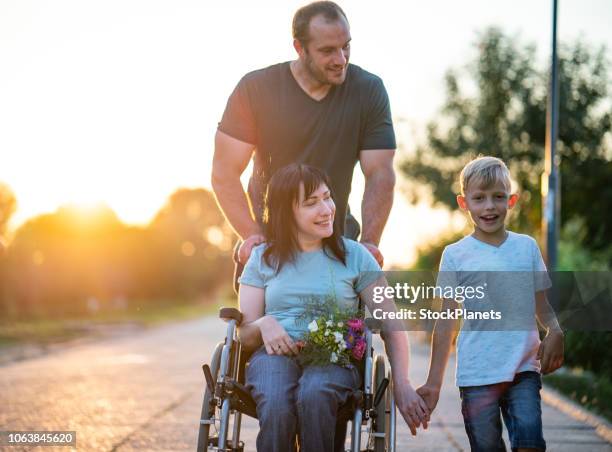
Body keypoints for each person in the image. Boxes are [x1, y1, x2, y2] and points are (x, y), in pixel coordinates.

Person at [237, 164, 429, 452]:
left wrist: (401, 383)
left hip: (335, 356)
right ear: (286, 213)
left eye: (327, 197)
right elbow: (244, 334)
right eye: (312, 203)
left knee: (315, 394)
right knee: (276, 402)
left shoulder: (355, 256)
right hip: (273, 356)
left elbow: (390, 323)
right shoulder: (262, 258)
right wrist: (264, 324)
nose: (326, 209)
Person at [211, 1, 396, 292]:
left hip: (336, 240)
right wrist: (252, 234)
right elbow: (224, 172)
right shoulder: (256, 89)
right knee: (258, 334)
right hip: (270, 242)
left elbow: (380, 173)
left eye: (346, 46)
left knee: (348, 336)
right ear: (299, 48)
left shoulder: (368, 90)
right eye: (327, 51)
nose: (341, 59)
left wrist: (370, 243)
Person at [416, 156, 564, 452]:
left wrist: (556, 331)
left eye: (498, 197)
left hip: (523, 369)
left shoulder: (526, 248)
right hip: (477, 374)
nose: (489, 207)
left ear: (511, 200)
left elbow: (541, 304)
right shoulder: (455, 255)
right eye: (479, 198)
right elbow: (446, 321)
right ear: (464, 202)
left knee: (530, 442)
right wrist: (433, 383)